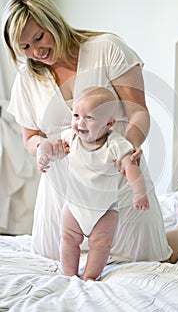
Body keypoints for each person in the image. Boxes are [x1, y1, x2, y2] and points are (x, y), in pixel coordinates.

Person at [2, 0, 178, 268]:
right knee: (56, 256)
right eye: (24, 47)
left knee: (156, 257)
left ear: (54, 22)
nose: (36, 51)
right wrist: (42, 147)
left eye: (39, 37)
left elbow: (138, 111)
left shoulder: (107, 48)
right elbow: (30, 137)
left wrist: (128, 148)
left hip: (117, 181)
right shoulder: (26, 79)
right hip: (62, 193)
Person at [38, 86, 150, 280]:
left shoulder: (115, 144)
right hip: (74, 206)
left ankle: (89, 276)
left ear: (109, 123)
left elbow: (131, 168)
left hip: (105, 211)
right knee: (68, 239)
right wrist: (44, 154)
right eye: (76, 115)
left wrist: (139, 192)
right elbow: (48, 142)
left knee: (101, 244)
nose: (80, 122)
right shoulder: (70, 137)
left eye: (89, 118)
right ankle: (69, 274)